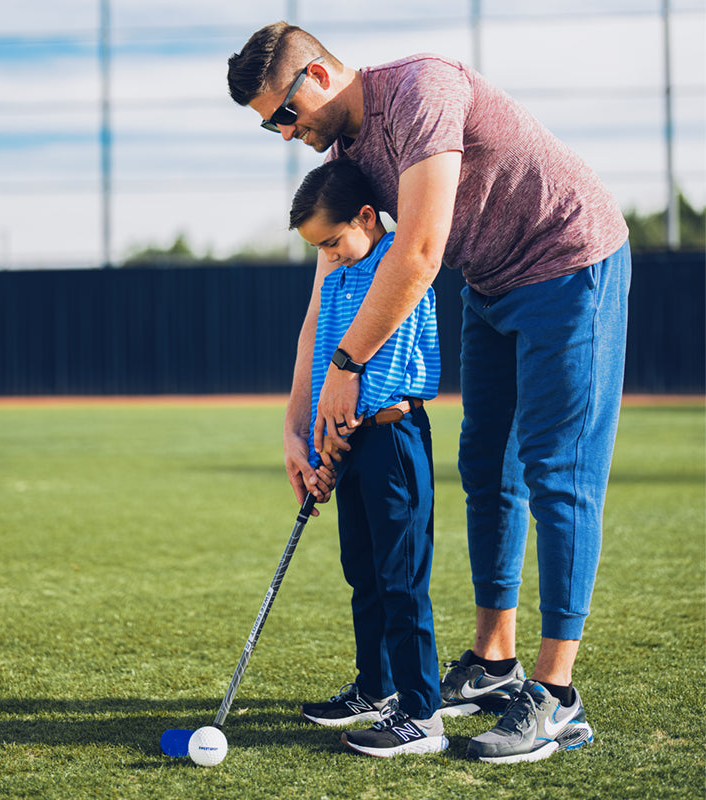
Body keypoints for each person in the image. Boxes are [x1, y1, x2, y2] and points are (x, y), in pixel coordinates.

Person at [228, 23, 631, 764]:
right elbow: (328, 297)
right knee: (486, 470)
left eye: (284, 115)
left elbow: (418, 252)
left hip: (570, 260)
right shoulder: (346, 158)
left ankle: (556, 695)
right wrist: (296, 421)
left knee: (557, 475)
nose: (286, 134)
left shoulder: (421, 89)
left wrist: (350, 368)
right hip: (494, 285)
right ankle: (493, 663)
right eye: (270, 127)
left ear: (316, 74)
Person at [288, 158, 446, 757]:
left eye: (332, 240)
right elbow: (331, 357)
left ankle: (421, 715)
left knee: (401, 578)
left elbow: (379, 363)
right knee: (363, 569)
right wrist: (320, 441)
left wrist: (337, 434)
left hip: (392, 438)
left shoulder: (396, 267)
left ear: (364, 216)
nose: (329, 253)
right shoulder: (339, 275)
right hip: (351, 443)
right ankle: (376, 688)